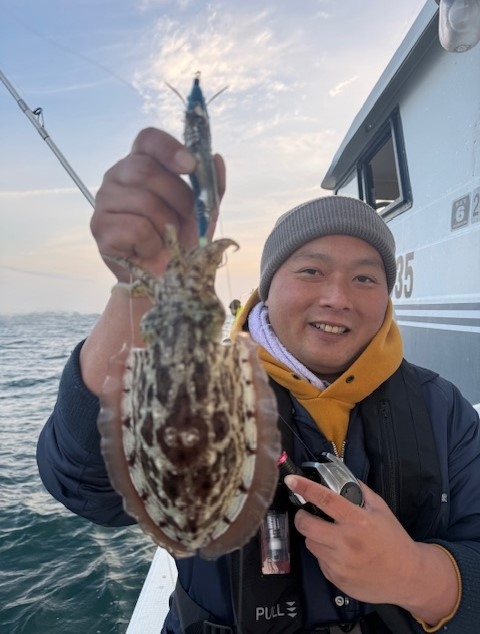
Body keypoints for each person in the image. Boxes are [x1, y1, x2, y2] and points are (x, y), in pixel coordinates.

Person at [37, 128, 480, 634]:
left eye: (365, 278)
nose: (338, 297)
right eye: (311, 271)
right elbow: (87, 486)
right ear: (266, 290)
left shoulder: (443, 407)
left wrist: (416, 575)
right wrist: (140, 288)